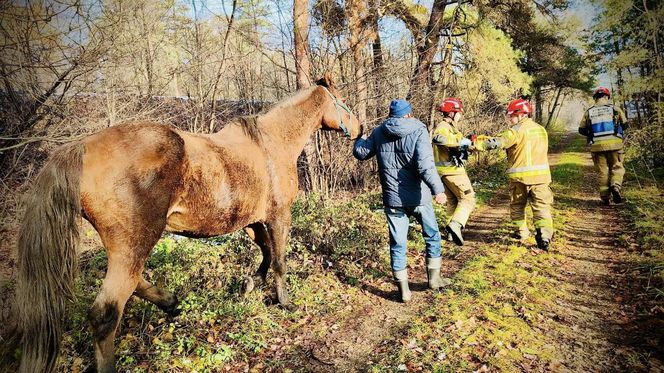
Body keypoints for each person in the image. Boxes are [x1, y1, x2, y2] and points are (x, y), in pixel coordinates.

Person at [353, 99, 449, 303]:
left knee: (398, 243)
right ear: (408, 114)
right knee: (432, 235)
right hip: (419, 197)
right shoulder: (419, 129)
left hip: (393, 198)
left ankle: (404, 291)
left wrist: (359, 138)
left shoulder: (379, 131)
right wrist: (438, 189)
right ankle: (434, 279)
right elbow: (425, 165)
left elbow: (361, 153)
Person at [474, 98, 553, 250]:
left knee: (517, 206)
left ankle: (522, 233)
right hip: (541, 178)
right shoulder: (541, 130)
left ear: (521, 114)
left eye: (512, 115)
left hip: (520, 179)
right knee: (542, 207)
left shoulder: (515, 131)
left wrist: (476, 143)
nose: (510, 118)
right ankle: (544, 236)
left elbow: (496, 142)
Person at [432, 98, 476, 246]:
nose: (460, 116)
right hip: (452, 171)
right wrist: (461, 143)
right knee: (468, 199)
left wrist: (465, 144)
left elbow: (454, 145)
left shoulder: (449, 127)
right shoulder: (444, 127)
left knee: (453, 201)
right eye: (458, 113)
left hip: (443, 172)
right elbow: (439, 139)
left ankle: (450, 234)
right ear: (451, 113)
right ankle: (456, 225)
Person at [578, 87, 628, 205]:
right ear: (607, 97)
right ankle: (615, 186)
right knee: (617, 168)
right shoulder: (615, 109)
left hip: (597, 147)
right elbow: (625, 124)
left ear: (595, 98)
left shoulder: (589, 111)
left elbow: (581, 130)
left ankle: (605, 197)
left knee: (602, 172)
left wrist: (592, 133)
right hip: (615, 145)